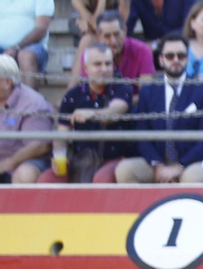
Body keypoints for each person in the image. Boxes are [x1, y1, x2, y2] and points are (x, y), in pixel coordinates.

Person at [115, 36, 203, 185]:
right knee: (125, 170)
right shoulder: (149, 90)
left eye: (181, 55)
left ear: (187, 58)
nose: (176, 60)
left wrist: (180, 166)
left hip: (191, 163)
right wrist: (158, 165)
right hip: (157, 162)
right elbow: (141, 133)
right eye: (170, 56)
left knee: (192, 178)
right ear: (161, 60)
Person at [40, 43, 132, 184]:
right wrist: (59, 155)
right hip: (82, 160)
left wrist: (92, 114)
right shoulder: (73, 94)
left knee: (102, 180)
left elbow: (116, 110)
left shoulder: (123, 87)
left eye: (108, 64)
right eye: (98, 64)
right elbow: (61, 133)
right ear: (85, 68)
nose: (104, 69)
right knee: (46, 180)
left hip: (116, 159)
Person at [0, 54, 51, 184]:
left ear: (7, 82)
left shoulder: (32, 103)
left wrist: (8, 163)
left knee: (25, 174)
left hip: (23, 161)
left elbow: (40, 145)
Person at [76, 11, 154, 85]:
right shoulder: (90, 55)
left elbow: (146, 94)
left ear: (125, 31)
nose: (113, 41)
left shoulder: (142, 51)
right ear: (98, 36)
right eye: (107, 36)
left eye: (117, 34)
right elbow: (90, 91)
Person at [1, 0, 50, 86]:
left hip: (30, 46)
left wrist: (17, 47)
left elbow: (41, 29)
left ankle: (29, 99)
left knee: (26, 56)